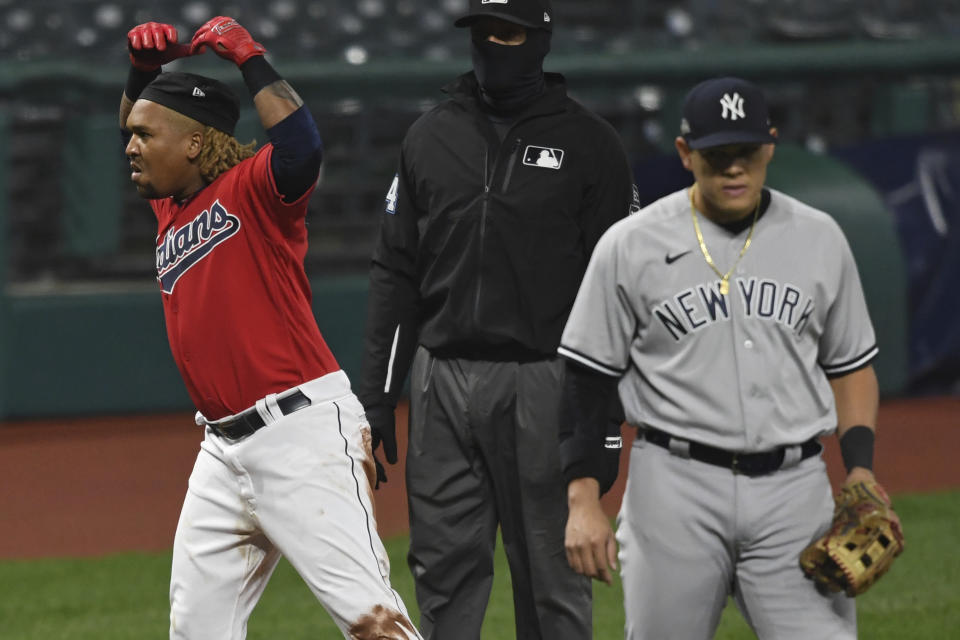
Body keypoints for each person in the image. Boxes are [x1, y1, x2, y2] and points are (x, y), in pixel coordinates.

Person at [558, 76, 900, 639]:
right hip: (674, 489)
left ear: (769, 145)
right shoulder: (630, 244)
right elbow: (585, 381)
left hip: (794, 494)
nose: (734, 168)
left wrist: (860, 465)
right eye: (718, 155)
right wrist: (582, 499)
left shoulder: (820, 238)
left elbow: (851, 367)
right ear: (685, 153)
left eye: (745, 151)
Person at [120, 18, 421, 640]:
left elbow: (303, 147)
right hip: (221, 451)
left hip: (301, 433)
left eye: (147, 134)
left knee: (372, 622)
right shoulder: (167, 208)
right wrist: (140, 73)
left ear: (196, 144)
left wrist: (251, 58)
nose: (130, 145)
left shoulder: (254, 188)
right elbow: (135, 119)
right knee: (196, 630)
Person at [357, 1, 638, 638]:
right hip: (441, 381)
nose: (491, 46)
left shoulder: (591, 144)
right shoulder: (430, 135)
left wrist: (601, 424)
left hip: (547, 381)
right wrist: (377, 395)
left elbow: (618, 294)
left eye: (506, 33)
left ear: (540, 40)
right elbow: (395, 271)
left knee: (551, 584)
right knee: (441, 577)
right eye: (481, 34)